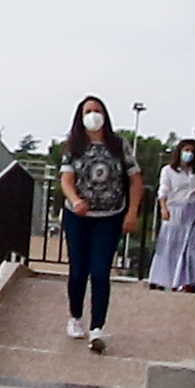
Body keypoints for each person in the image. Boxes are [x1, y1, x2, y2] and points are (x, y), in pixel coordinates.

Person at [57, 96, 133, 351]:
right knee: (78, 270)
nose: (93, 115)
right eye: (88, 111)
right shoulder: (73, 146)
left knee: (100, 272)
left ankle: (97, 328)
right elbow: (66, 179)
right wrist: (75, 200)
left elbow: (135, 179)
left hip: (109, 217)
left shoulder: (119, 145)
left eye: (97, 110)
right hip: (78, 217)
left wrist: (132, 213)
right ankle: (75, 317)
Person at [147, 139, 195, 292]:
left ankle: (189, 281)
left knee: (191, 247)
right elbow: (163, 190)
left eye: (192, 151)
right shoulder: (168, 170)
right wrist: (163, 208)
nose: (189, 154)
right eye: (186, 150)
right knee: (169, 245)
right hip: (174, 209)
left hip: (193, 211)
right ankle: (160, 279)